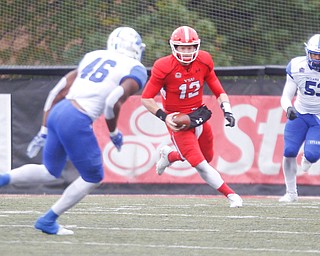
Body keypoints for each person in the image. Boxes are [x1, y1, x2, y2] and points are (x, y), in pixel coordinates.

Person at [0, 27, 147, 235]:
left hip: (59, 111)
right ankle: (48, 220)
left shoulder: (92, 56)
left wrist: (43, 128)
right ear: (135, 47)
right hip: (77, 118)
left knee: (51, 172)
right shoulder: (136, 68)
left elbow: (57, 90)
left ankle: (3, 179)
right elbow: (112, 102)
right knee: (93, 177)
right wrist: (114, 133)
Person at [141, 25, 243, 208]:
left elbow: (217, 88)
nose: (187, 52)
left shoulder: (204, 60)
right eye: (182, 48)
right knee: (200, 164)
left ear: (197, 46)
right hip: (178, 121)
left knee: (207, 156)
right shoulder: (163, 66)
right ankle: (232, 195)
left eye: (190, 47)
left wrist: (227, 110)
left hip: (198, 115)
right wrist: (165, 117)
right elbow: (146, 98)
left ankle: (170, 155)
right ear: (174, 47)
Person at [279, 34, 320, 203]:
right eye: (314, 55)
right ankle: (291, 193)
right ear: (307, 53)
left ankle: (307, 157)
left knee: (311, 155)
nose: (317, 59)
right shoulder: (297, 66)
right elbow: (286, 95)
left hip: (318, 118)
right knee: (289, 152)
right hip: (300, 113)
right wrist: (288, 108)